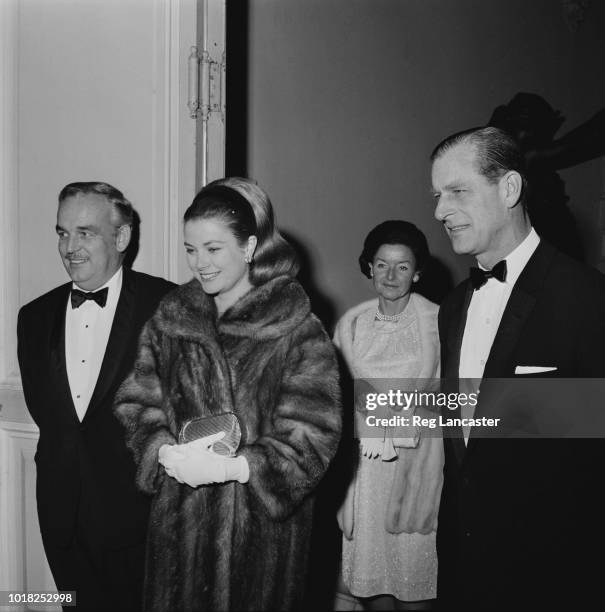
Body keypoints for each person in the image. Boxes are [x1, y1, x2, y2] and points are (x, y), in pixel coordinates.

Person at [113, 177, 342, 612]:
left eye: (213, 249)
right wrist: (161, 451)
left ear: (250, 245)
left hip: (260, 546)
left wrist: (238, 469)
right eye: (190, 249)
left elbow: (314, 436)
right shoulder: (171, 319)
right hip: (178, 535)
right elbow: (136, 401)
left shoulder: (297, 329)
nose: (200, 263)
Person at [430, 127, 605, 610]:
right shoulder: (452, 307)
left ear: (509, 188)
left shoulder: (588, 300)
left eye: (457, 191)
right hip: (464, 568)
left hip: (552, 571)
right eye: (437, 196)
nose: (440, 211)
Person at [17, 182, 175, 610]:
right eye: (62, 232)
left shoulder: (168, 305)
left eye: (85, 232)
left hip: (144, 521)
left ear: (121, 238)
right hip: (62, 514)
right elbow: (47, 413)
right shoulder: (32, 317)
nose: (70, 246)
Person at [334, 221, 443, 611]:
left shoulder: (439, 322)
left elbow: (455, 397)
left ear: (417, 271)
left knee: (415, 581)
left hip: (416, 465)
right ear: (369, 268)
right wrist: (351, 393)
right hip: (363, 469)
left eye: (402, 266)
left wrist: (396, 405)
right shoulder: (350, 325)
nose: (391, 275)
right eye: (382, 265)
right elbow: (330, 395)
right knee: (372, 584)